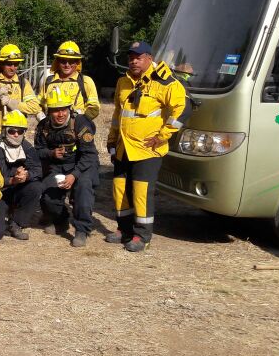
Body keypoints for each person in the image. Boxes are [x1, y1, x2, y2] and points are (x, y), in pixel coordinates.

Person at [106, 41, 188, 252]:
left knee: (141, 192)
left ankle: (142, 235)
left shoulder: (165, 82)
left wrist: (163, 136)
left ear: (149, 58)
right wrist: (112, 140)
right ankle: (123, 229)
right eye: (131, 57)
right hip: (124, 147)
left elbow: (183, 109)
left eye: (139, 57)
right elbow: (118, 115)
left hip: (147, 149)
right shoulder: (122, 82)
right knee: (120, 189)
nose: (133, 61)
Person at [35, 90, 99, 248]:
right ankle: (61, 219)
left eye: (64, 109)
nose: (60, 114)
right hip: (58, 165)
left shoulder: (80, 122)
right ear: (48, 111)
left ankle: (82, 230)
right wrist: (51, 153)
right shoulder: (43, 126)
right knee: (47, 195)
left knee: (83, 189)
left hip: (82, 165)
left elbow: (89, 154)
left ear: (69, 109)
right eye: (56, 110)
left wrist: (74, 175)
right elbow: (37, 151)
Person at [0, 110, 43, 240]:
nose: (16, 135)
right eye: (12, 131)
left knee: (36, 187)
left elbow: (38, 170)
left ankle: (16, 223)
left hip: (15, 191)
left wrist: (26, 175)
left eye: (20, 131)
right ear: (4, 131)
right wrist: (12, 179)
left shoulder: (27, 148)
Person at [35, 40, 100, 120]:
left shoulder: (86, 81)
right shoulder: (49, 81)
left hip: (76, 130)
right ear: (57, 61)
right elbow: (38, 104)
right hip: (51, 130)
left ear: (77, 62)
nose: (67, 65)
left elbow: (94, 108)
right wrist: (42, 119)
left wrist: (80, 117)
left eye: (71, 61)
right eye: (63, 61)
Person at [0, 44, 38, 139]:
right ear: (1, 63)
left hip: (16, 134)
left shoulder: (23, 83)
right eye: (9, 64)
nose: (13, 68)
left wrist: (11, 103)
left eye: (16, 64)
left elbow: (34, 107)